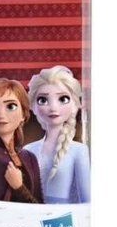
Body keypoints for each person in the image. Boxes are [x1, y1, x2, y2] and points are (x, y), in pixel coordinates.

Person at [24, 66, 90, 203]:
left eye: (63, 99)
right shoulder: (28, 150)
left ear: (74, 105)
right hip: (32, 212)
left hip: (65, 215)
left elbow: (87, 200)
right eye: (43, 100)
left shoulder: (79, 150)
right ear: (33, 107)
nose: (53, 108)